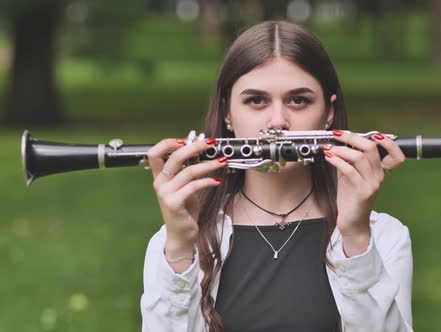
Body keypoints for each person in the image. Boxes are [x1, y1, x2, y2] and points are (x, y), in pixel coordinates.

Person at [141, 20, 413, 332]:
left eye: (299, 100)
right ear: (227, 111)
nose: (277, 121)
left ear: (328, 112)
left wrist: (355, 237)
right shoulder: (173, 240)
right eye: (256, 100)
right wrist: (179, 248)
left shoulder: (384, 236)